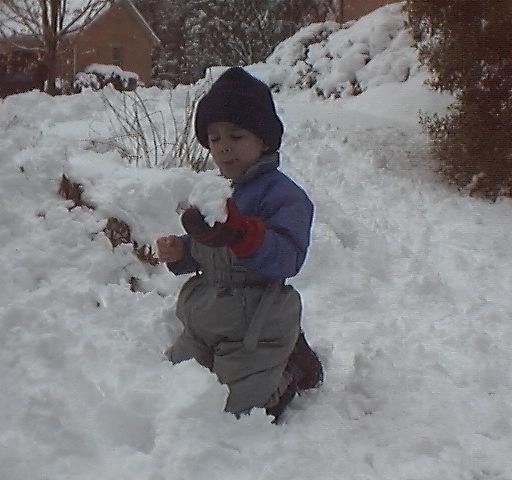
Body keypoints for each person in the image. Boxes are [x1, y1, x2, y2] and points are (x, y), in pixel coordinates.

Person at [156, 67, 323, 422]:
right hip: (209, 313)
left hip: (256, 320)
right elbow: (209, 248)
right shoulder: (216, 190)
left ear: (264, 140)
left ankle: (292, 369)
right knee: (173, 381)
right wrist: (184, 251)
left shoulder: (285, 196)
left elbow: (288, 257)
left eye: (236, 135)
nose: (224, 147)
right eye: (214, 139)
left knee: (237, 409)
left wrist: (244, 234)